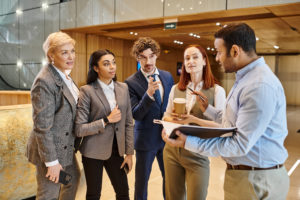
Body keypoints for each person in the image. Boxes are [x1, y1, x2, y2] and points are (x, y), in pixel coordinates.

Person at [162, 23, 290, 200]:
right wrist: (210, 110)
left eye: (219, 52)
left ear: (235, 51)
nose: (217, 58)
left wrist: (188, 142)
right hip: (247, 176)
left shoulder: (258, 85)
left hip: (255, 179)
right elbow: (233, 122)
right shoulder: (246, 79)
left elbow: (239, 144)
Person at [162, 44, 226, 200]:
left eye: (195, 57)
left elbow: (222, 126)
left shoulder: (217, 91)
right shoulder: (176, 88)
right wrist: (168, 123)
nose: (190, 61)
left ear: (204, 61)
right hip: (171, 151)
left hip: (198, 153)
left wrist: (193, 119)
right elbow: (166, 116)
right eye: (187, 58)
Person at [26, 31, 80, 200]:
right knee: (48, 193)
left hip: (64, 145)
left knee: (73, 178)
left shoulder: (64, 75)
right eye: (64, 52)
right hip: (49, 151)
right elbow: (42, 128)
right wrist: (52, 163)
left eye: (72, 51)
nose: (70, 56)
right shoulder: (44, 82)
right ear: (51, 55)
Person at [75, 49, 134, 200]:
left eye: (113, 62)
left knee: (123, 192)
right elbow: (80, 128)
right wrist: (106, 120)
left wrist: (129, 153)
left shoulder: (123, 88)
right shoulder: (86, 91)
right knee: (94, 194)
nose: (112, 67)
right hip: (93, 151)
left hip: (117, 151)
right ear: (96, 68)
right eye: (106, 64)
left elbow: (128, 123)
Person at [125, 37, 174, 200]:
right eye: (143, 57)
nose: (148, 61)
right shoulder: (131, 82)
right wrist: (148, 94)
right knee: (142, 182)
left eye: (151, 56)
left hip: (167, 138)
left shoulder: (167, 77)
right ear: (137, 58)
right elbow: (136, 114)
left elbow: (169, 106)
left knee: (170, 180)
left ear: (156, 55)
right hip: (145, 140)